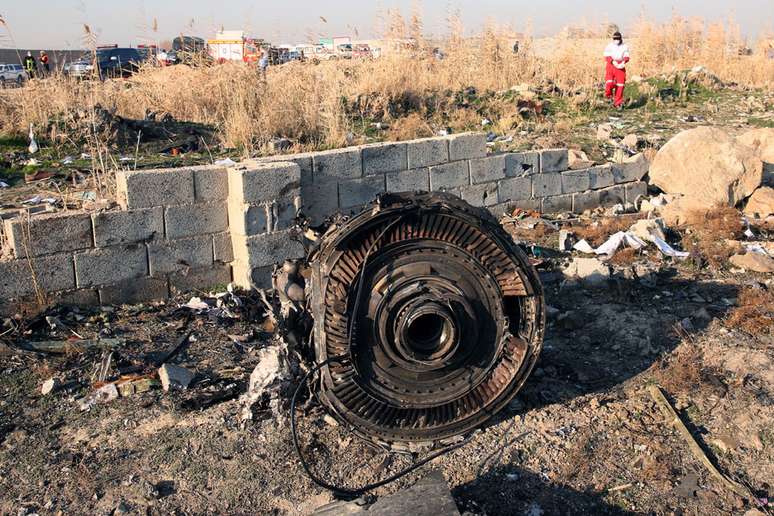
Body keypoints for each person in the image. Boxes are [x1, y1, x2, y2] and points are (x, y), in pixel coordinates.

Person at [603, 31, 630, 109]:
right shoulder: (609, 46)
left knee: (620, 85)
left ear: (620, 39)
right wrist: (613, 61)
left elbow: (626, 56)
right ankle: (609, 97)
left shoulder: (625, 46)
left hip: (620, 66)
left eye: (618, 39)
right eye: (615, 39)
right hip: (611, 65)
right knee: (609, 83)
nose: (616, 40)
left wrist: (623, 62)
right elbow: (606, 56)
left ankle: (618, 103)